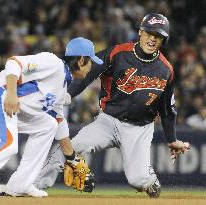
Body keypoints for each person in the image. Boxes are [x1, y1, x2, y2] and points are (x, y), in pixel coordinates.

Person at [34, 13, 190, 198]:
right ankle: (34, 185)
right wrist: (69, 94)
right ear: (140, 32)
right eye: (149, 33)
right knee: (67, 149)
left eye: (158, 36)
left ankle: (148, 179)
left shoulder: (166, 70)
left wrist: (172, 139)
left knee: (137, 180)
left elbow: (167, 110)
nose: (153, 39)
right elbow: (88, 73)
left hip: (139, 129)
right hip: (107, 122)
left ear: (163, 40)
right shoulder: (118, 53)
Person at [0, 37, 103, 197]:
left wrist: (72, 158)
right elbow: (14, 62)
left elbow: (59, 121)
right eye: (91, 61)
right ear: (81, 60)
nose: (92, 66)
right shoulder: (53, 63)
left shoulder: (61, 86)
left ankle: (21, 185)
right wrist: (11, 93)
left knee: (48, 125)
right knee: (8, 143)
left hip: (11, 106)